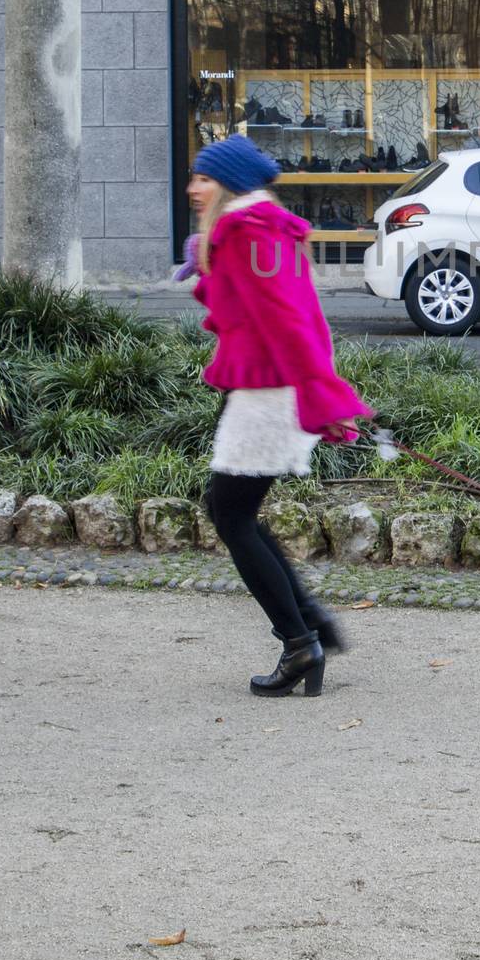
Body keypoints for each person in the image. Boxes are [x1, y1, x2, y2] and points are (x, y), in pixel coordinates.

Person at [184, 134, 371, 698]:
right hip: (267, 388)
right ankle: (309, 624)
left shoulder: (249, 232)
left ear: (231, 185)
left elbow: (291, 321)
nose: (193, 189)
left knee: (231, 515)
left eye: (204, 178)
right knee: (230, 509)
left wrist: (325, 397)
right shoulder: (251, 231)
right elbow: (259, 311)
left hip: (271, 393)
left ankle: (299, 641)